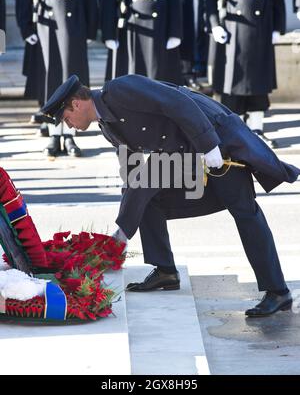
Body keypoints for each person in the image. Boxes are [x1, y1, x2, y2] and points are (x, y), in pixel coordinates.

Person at [41, 74, 300, 317]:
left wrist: (209, 146)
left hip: (216, 141)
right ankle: (165, 271)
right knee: (146, 200)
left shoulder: (120, 89)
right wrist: (127, 215)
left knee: (245, 211)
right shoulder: (107, 126)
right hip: (187, 158)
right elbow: (134, 175)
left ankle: (278, 292)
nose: (70, 127)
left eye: (66, 119)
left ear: (76, 104)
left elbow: (179, 102)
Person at [13, 0, 98, 157]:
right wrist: (25, 25)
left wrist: (91, 27)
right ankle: (53, 132)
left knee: (72, 77)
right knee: (50, 76)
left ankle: (69, 134)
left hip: (73, 14)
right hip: (47, 14)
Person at [206, 0, 286, 149]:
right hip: (232, 23)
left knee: (258, 78)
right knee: (233, 81)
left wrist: (279, 27)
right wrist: (214, 24)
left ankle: (257, 130)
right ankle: (235, 132)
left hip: (260, 22)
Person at [99, 0, 183, 84]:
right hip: (130, 18)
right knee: (131, 75)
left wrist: (175, 32)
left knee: (158, 76)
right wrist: (108, 32)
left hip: (160, 21)